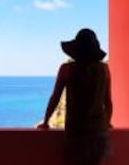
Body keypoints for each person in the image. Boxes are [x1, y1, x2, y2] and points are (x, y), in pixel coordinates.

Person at [37, 28, 113, 165]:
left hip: (76, 129)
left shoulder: (67, 69)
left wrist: (46, 121)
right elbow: (107, 100)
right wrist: (107, 122)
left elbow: (55, 97)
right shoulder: (103, 69)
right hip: (98, 129)